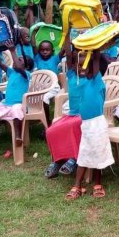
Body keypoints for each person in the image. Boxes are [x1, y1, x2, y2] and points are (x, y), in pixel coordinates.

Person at [65, 48, 114, 200]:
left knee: (97, 153)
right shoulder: (76, 78)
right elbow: (69, 57)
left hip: (97, 124)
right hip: (85, 124)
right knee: (85, 153)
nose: (82, 69)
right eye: (79, 66)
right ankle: (78, 185)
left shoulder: (96, 80)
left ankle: (94, 184)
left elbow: (97, 60)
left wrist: (96, 48)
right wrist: (67, 35)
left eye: (85, 66)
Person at [44, 34, 81, 179]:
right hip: (71, 114)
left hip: (85, 116)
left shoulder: (92, 76)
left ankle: (75, 158)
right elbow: (69, 53)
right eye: (76, 61)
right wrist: (67, 34)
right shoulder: (72, 74)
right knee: (52, 131)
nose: (79, 64)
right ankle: (58, 160)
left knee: (74, 126)